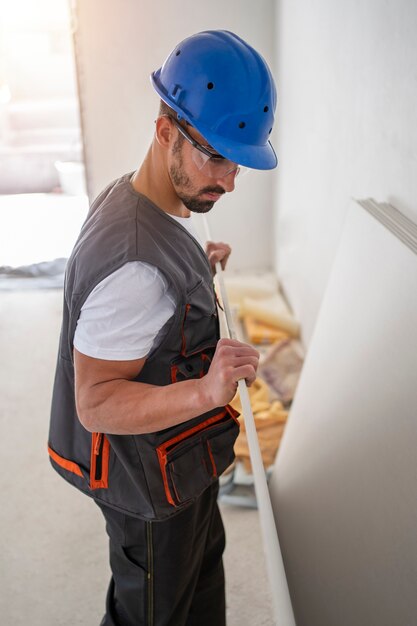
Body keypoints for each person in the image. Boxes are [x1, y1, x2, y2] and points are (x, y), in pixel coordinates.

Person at [48, 29, 277, 626]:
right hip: (147, 487)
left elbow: (148, 311)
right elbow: (96, 403)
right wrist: (206, 391)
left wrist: (199, 266)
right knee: (151, 611)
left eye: (238, 161)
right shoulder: (133, 266)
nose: (229, 181)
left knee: (201, 585)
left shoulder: (143, 198)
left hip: (181, 466)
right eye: (217, 156)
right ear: (165, 132)